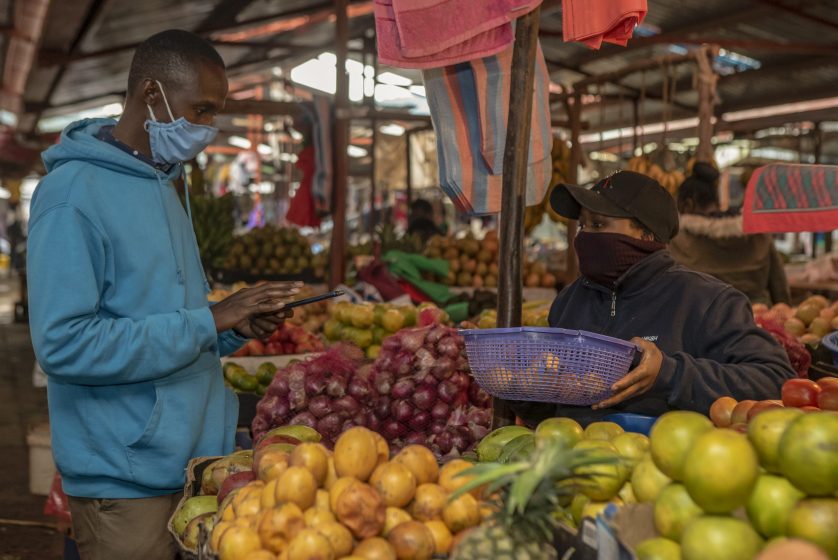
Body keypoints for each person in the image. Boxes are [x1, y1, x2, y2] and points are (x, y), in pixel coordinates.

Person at [27, 30, 298, 559]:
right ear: (151, 93)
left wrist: (232, 329)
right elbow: (63, 345)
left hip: (196, 466)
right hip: (124, 480)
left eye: (213, 112)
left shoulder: (164, 184)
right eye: (199, 108)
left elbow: (165, 318)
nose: (205, 127)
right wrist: (209, 321)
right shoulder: (71, 196)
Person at [511, 171, 795, 427]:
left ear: (646, 234)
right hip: (576, 466)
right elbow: (550, 410)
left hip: (664, 469)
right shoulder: (570, 301)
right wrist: (524, 390)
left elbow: (774, 379)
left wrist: (669, 374)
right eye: (583, 226)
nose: (585, 236)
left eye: (598, 224)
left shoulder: (708, 301)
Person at [668, 162, 790, 305]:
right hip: (755, 320)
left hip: (701, 321)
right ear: (717, 201)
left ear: (688, 205)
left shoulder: (677, 241)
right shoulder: (759, 235)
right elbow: (780, 290)